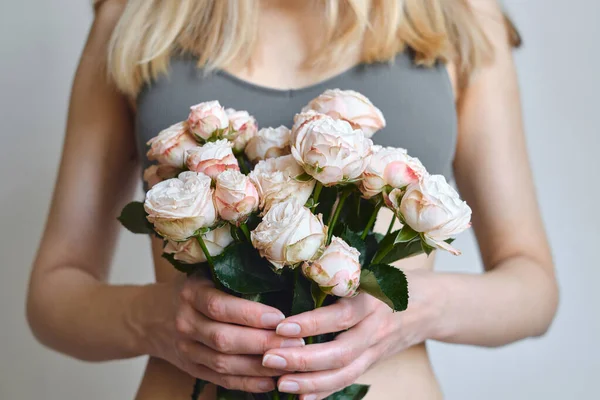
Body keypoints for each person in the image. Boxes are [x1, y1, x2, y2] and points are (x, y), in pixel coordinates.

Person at [26, 0, 559, 399]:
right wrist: (155, 318)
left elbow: (533, 284)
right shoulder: (134, 17)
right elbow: (53, 294)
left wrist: (412, 310)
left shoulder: (460, 15)